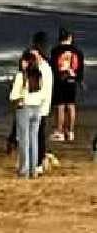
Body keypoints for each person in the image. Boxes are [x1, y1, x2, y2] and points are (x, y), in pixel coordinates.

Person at [10, 51, 45, 178]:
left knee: (24, 140)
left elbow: (13, 95)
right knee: (34, 139)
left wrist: (17, 100)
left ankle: (24, 170)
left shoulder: (21, 76)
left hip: (24, 107)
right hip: (37, 108)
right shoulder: (39, 75)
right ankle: (33, 169)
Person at [51, 28, 83, 142]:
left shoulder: (55, 51)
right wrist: (78, 79)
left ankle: (59, 131)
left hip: (59, 81)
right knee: (71, 105)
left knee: (60, 106)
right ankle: (70, 132)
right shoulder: (77, 51)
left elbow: (53, 68)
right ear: (70, 37)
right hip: (72, 81)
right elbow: (80, 68)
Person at [29, 36, 54, 174]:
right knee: (37, 135)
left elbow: (42, 90)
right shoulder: (44, 67)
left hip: (39, 107)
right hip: (39, 107)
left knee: (38, 136)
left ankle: (38, 162)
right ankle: (38, 160)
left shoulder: (43, 69)